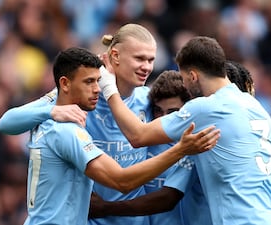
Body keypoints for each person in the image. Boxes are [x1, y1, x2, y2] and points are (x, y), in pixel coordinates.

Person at [98, 36, 271, 225]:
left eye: (183, 79)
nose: (186, 87)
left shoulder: (206, 108)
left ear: (193, 76)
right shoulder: (256, 107)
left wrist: (109, 86)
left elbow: (138, 136)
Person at [15, 46, 219, 225]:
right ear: (65, 84)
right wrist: (181, 148)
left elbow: (167, 197)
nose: (97, 89)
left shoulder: (54, 121)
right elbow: (121, 181)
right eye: (89, 82)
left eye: (99, 81)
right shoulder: (66, 130)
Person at [0, 23, 159, 225]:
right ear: (115, 56)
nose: (147, 67)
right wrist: (52, 110)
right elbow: (6, 123)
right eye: (139, 59)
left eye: (151, 60)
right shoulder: (79, 96)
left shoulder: (148, 99)